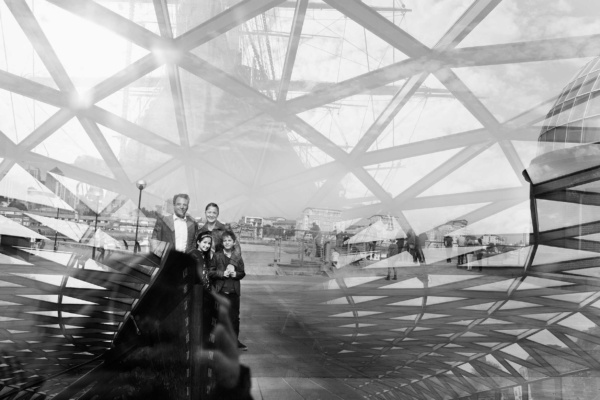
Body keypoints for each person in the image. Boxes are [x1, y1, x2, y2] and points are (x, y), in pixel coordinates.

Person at [209, 230, 247, 351]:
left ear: (234, 242)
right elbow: (211, 272)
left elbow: (242, 273)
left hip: (234, 293)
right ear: (222, 243)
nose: (227, 243)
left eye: (229, 240)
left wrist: (236, 273)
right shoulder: (217, 255)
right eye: (224, 241)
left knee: (235, 318)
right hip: (220, 292)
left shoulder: (238, 257)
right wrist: (222, 273)